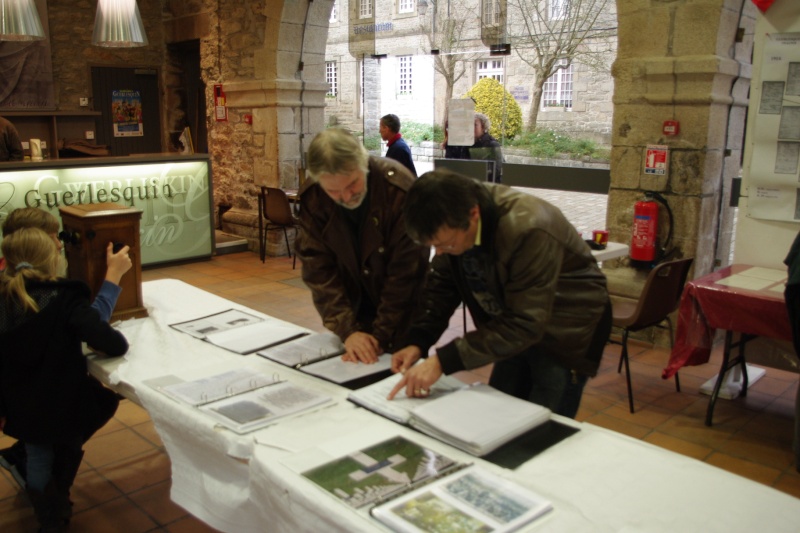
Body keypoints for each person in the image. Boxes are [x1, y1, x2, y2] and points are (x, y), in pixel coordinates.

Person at [388, 169, 611, 418]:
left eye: (446, 244)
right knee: (499, 415)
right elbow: (441, 286)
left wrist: (444, 360)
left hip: (566, 331)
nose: (439, 253)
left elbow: (526, 322)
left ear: (473, 215)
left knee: (543, 427)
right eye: (434, 247)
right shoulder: (453, 217)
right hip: (511, 326)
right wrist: (418, 341)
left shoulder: (528, 228)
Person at [0, 227, 129, 531]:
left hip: (19, 404)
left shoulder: (5, 300)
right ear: (52, 259)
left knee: (38, 452)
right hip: (63, 402)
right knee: (87, 420)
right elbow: (110, 342)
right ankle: (58, 499)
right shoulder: (64, 297)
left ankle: (49, 516)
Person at [297, 128, 430, 364]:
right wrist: (348, 329)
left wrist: (378, 337)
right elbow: (318, 269)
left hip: (403, 313)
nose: (346, 197)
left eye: (352, 185)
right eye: (334, 191)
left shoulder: (399, 190)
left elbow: (405, 275)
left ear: (364, 164)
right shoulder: (314, 197)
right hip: (351, 308)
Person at [442, 113, 504, 182]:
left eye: (474, 125)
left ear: (483, 127)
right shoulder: (466, 144)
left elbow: (496, 171)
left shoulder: (492, 144)